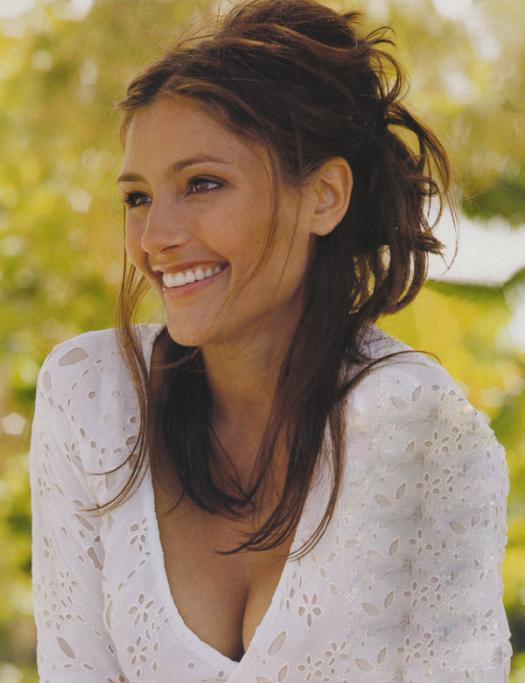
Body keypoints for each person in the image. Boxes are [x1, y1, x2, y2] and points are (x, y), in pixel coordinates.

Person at [29, 0, 513, 681]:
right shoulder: (93, 394)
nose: (155, 238)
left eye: (202, 184)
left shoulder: (413, 422)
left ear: (324, 196)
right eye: (137, 197)